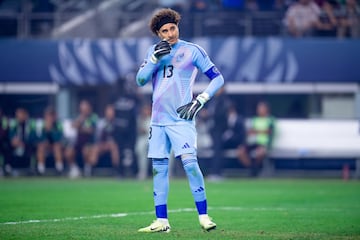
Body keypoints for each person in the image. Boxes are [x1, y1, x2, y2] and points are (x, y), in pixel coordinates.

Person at [136, 8, 224, 232]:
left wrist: (201, 99)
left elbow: (218, 78)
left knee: (191, 165)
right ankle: (161, 221)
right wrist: (154, 58)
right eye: (164, 31)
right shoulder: (153, 51)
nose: (170, 34)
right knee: (159, 169)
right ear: (158, 34)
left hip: (181, 119)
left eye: (172, 28)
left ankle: (204, 216)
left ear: (177, 26)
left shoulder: (192, 51)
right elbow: (140, 80)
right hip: (158, 121)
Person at [240, 101, 276, 177]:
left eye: (261, 108)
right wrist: (260, 131)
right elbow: (250, 131)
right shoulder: (255, 119)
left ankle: (254, 171)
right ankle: (252, 168)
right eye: (258, 108)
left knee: (260, 153)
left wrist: (256, 131)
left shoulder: (271, 119)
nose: (259, 110)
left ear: (266, 109)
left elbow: (269, 132)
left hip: (264, 144)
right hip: (253, 143)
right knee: (241, 151)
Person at [64, 100, 98, 178]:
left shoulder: (93, 117)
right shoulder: (79, 117)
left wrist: (81, 128)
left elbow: (91, 130)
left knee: (86, 150)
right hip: (78, 143)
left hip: (89, 143)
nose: (83, 110)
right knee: (68, 152)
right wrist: (80, 122)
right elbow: (73, 126)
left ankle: (87, 169)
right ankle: (74, 169)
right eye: (82, 108)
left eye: (85, 108)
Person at [88, 104, 120, 176]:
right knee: (95, 148)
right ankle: (90, 170)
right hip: (102, 144)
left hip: (113, 145)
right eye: (108, 112)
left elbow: (118, 137)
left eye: (111, 112)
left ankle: (117, 170)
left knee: (114, 147)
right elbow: (97, 137)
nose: (110, 113)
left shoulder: (117, 123)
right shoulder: (101, 123)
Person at [9, 107, 38, 174]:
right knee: (8, 147)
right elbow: (11, 135)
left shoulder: (31, 124)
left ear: (26, 115)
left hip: (28, 143)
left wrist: (24, 142)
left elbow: (33, 136)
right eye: (18, 114)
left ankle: (32, 168)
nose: (19, 116)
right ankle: (9, 167)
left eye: (21, 114)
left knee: (33, 148)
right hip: (17, 144)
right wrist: (14, 140)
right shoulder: (13, 124)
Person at [36, 107, 64, 175]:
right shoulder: (40, 125)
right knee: (41, 146)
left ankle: (59, 169)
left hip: (56, 146)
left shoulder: (59, 125)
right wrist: (45, 131)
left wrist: (51, 130)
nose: (50, 118)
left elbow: (58, 138)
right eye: (48, 115)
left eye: (52, 115)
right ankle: (41, 170)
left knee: (57, 147)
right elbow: (38, 138)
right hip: (45, 145)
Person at [135, 103, 152, 180]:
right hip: (143, 138)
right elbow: (139, 130)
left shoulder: (154, 118)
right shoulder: (140, 118)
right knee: (140, 149)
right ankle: (142, 172)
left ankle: (164, 173)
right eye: (144, 110)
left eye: (147, 110)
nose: (146, 111)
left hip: (154, 138)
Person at [0, 108, 11, 176]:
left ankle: (7, 167)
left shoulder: (4, 120)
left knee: (7, 147)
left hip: (4, 141)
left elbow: (4, 131)